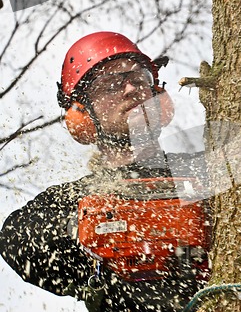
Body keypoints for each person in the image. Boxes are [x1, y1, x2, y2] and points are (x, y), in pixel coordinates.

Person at [0, 31, 207, 311]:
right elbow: (15, 238)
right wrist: (83, 226)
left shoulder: (199, 168)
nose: (132, 89)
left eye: (139, 79)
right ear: (82, 113)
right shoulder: (73, 198)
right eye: (111, 84)